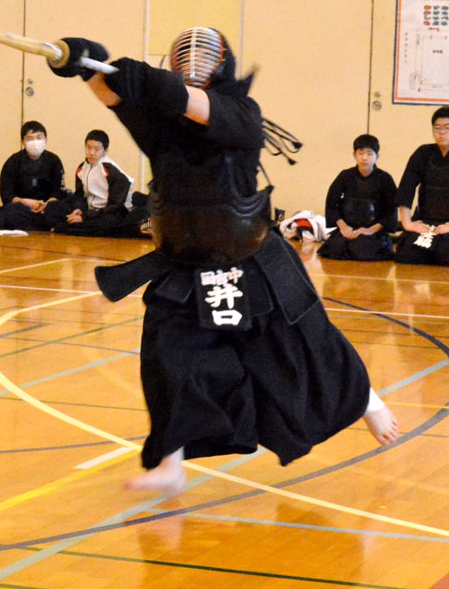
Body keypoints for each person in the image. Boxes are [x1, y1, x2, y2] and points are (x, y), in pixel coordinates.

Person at [49, 29, 399, 492]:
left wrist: (140, 77)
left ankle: (368, 402)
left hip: (252, 258)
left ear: (222, 67)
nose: (194, 63)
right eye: (185, 57)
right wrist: (83, 67)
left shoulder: (240, 113)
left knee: (304, 344)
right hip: (186, 264)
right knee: (167, 359)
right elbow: (118, 98)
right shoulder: (163, 127)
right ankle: (169, 465)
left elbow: (182, 99)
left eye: (203, 57)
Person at [318, 134, 397, 261]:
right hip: (348, 228)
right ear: (354, 155)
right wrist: (343, 227)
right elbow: (332, 203)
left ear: (377, 156)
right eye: (361, 153)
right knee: (336, 249)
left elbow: (391, 210)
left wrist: (371, 230)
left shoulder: (385, 179)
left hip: (373, 232)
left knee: (363, 250)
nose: (364, 158)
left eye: (370, 154)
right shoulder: (345, 176)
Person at [45, 128, 136, 236]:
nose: (92, 153)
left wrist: (85, 217)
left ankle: (65, 227)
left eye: (97, 149)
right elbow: (79, 195)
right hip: (88, 210)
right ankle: (72, 226)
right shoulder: (82, 168)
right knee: (53, 207)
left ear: (105, 151)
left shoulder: (113, 171)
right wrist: (79, 209)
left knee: (108, 224)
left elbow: (115, 205)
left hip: (107, 212)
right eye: (88, 148)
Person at [395, 107, 449, 265]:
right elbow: (406, 188)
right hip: (427, 222)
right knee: (408, 254)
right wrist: (407, 223)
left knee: (445, 254)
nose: (442, 132)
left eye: (447, 128)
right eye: (437, 128)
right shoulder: (423, 153)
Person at [0, 120, 66, 230]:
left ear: (45, 140)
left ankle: (38, 223)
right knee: (10, 211)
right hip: (23, 207)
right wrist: (25, 202)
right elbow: (7, 195)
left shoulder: (54, 160)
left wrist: (47, 204)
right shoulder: (13, 162)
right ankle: (42, 225)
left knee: (60, 208)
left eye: (39, 138)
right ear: (23, 142)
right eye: (30, 139)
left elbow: (59, 191)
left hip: (46, 207)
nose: (35, 142)